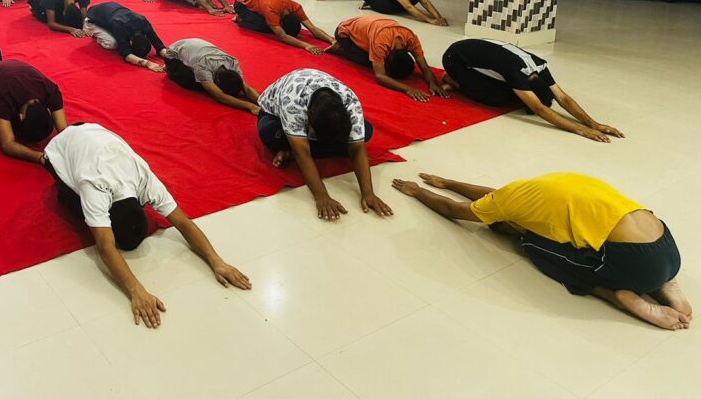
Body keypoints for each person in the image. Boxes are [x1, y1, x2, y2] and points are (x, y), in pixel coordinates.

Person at [391, 172, 691, 330]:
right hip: (666, 243)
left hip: (635, 263)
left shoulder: (507, 206)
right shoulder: (536, 188)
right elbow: (493, 195)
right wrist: (448, 181)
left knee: (532, 243)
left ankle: (619, 295)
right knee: (587, 236)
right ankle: (665, 281)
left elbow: (452, 208)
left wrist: (418, 192)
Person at [43, 123, 251, 327]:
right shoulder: (94, 186)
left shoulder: (144, 180)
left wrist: (217, 261)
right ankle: (51, 166)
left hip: (95, 131)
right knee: (75, 207)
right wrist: (136, 290)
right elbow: (105, 246)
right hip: (62, 145)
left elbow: (183, 222)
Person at [258, 69, 390, 221]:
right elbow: (303, 154)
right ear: (311, 116)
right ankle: (300, 145)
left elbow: (357, 149)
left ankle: (293, 149)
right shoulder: (293, 100)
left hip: (316, 124)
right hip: (274, 116)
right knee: (268, 134)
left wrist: (368, 194)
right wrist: (322, 196)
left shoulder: (350, 101)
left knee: (366, 132)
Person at [440, 38, 623, 142]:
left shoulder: (540, 67)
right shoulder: (517, 72)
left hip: (479, 52)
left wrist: (594, 124)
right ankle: (454, 80)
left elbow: (562, 98)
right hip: (454, 58)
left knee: (507, 92)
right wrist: (579, 130)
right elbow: (539, 109)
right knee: (494, 98)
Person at [327, 16, 448, 102]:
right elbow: (380, 76)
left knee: (374, 58)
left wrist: (433, 83)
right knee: (370, 62)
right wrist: (408, 89)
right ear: (388, 60)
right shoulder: (381, 44)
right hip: (344, 32)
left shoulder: (411, 39)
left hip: (368, 27)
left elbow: (424, 68)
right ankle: (340, 48)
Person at [0, 60, 68, 161]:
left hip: (11, 68)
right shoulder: (3, 99)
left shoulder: (51, 91)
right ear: (20, 117)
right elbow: (7, 145)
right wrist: (40, 157)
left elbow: (64, 131)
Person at [164, 38, 261, 114]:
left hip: (196, 48)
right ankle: (170, 70)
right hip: (172, 54)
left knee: (204, 82)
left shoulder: (233, 63)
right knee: (194, 83)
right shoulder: (203, 65)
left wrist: (262, 102)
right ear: (217, 81)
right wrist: (250, 106)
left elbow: (247, 89)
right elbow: (220, 96)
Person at [233, 0, 334, 55]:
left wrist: (331, 40)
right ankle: (241, 18)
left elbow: (313, 28)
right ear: (281, 23)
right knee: (267, 27)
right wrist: (306, 45)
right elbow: (282, 36)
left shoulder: (296, 7)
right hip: (241, 4)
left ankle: (250, 13)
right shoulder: (271, 10)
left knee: (270, 23)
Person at [84, 2, 168, 72]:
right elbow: (127, 54)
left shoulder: (143, 22)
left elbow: (158, 45)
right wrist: (148, 64)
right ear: (130, 42)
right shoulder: (119, 26)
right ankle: (92, 30)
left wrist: (169, 58)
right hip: (92, 19)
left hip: (110, 9)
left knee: (116, 37)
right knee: (112, 44)